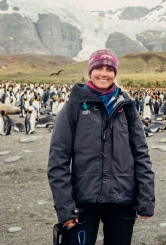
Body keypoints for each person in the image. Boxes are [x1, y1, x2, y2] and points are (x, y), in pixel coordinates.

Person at [47, 49, 155, 245]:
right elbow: (58, 160)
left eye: (109, 69)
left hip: (122, 198)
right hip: (84, 200)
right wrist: (65, 209)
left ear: (115, 73)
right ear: (90, 71)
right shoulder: (74, 106)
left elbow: (141, 155)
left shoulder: (127, 107)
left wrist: (146, 199)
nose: (103, 73)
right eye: (98, 68)